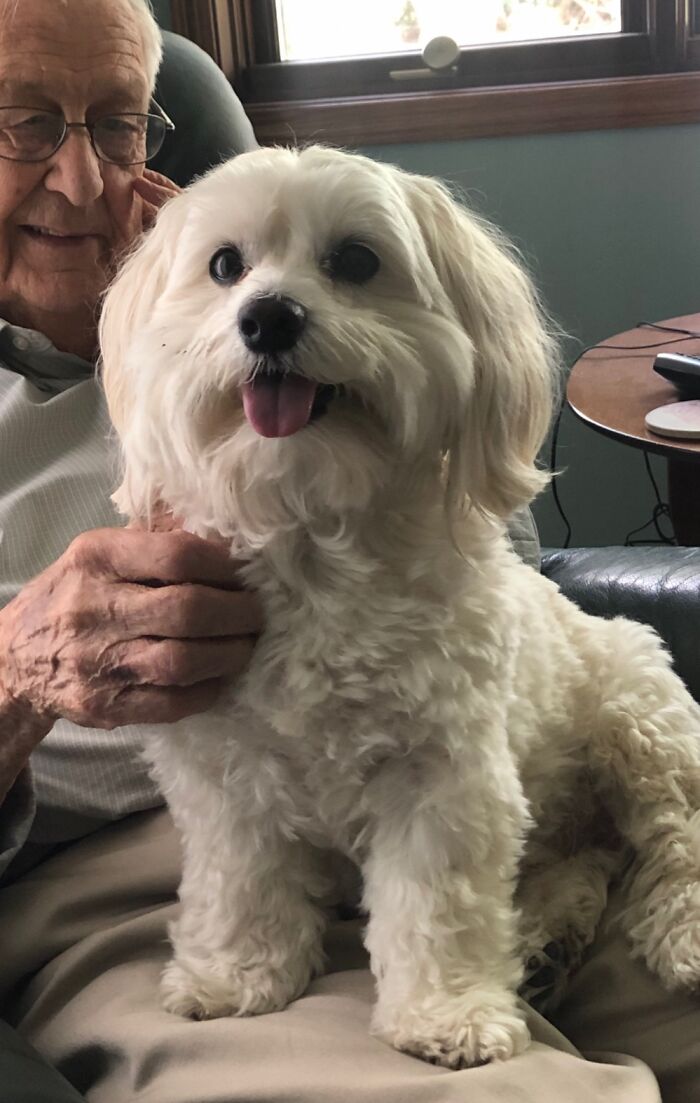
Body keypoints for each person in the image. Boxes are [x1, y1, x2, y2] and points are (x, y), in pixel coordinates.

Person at [0, 3, 697, 1102]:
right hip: (140, 881)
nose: (86, 181)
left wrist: (227, 253)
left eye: (121, 126)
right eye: (25, 125)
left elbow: (481, 587)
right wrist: (16, 671)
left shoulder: (224, 279)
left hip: (478, 825)